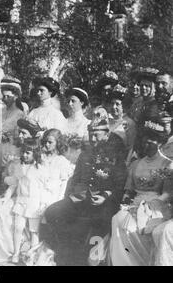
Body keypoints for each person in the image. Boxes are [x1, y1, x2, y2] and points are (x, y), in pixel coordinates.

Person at [44, 117, 127, 265]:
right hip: (80, 197)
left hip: (103, 201)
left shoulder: (116, 156)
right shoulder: (85, 154)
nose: (93, 138)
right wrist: (69, 196)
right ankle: (65, 250)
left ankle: (87, 258)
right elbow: (75, 179)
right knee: (53, 212)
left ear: (107, 135)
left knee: (98, 221)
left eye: (96, 134)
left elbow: (119, 185)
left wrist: (106, 196)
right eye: (90, 134)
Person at [109, 119, 172, 266]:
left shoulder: (167, 164)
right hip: (135, 203)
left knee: (132, 227)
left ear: (160, 143)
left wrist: (149, 205)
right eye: (145, 141)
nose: (146, 144)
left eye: (151, 142)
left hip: (156, 206)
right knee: (117, 219)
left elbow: (168, 193)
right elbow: (129, 190)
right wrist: (125, 202)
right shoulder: (136, 164)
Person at [107, 83, 137, 163]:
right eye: (112, 103)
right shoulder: (107, 121)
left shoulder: (129, 123)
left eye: (117, 104)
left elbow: (131, 147)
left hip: (120, 161)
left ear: (124, 106)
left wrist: (126, 164)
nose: (114, 107)